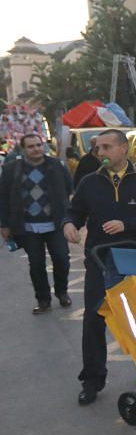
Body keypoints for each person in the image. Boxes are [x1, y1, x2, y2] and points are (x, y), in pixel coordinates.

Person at [63, 129, 136, 405]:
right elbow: (75, 211)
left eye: (107, 147)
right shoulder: (89, 182)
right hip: (101, 259)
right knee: (94, 319)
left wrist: (127, 225)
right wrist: (69, 223)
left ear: (124, 149)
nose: (101, 153)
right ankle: (92, 380)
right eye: (98, 149)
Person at [0, 134, 74, 314]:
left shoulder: (56, 165)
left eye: (39, 145)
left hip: (56, 224)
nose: (36, 149)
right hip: (27, 227)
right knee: (36, 264)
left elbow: (69, 190)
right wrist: (4, 224)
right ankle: (43, 300)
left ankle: (62, 292)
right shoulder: (11, 169)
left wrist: (70, 220)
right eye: (31, 146)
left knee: (62, 259)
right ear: (23, 149)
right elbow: (3, 197)